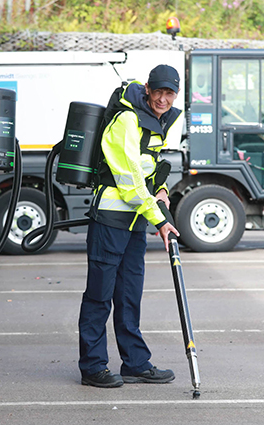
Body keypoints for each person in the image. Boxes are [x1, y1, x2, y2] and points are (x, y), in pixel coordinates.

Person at [78, 65, 182, 388]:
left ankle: (135, 362)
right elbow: (130, 182)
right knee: (99, 295)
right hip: (111, 218)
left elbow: (148, 168)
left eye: (170, 93)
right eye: (159, 92)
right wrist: (161, 220)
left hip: (135, 221)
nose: (164, 99)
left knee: (129, 294)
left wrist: (161, 189)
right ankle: (93, 366)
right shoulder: (126, 118)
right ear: (148, 88)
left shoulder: (159, 120)